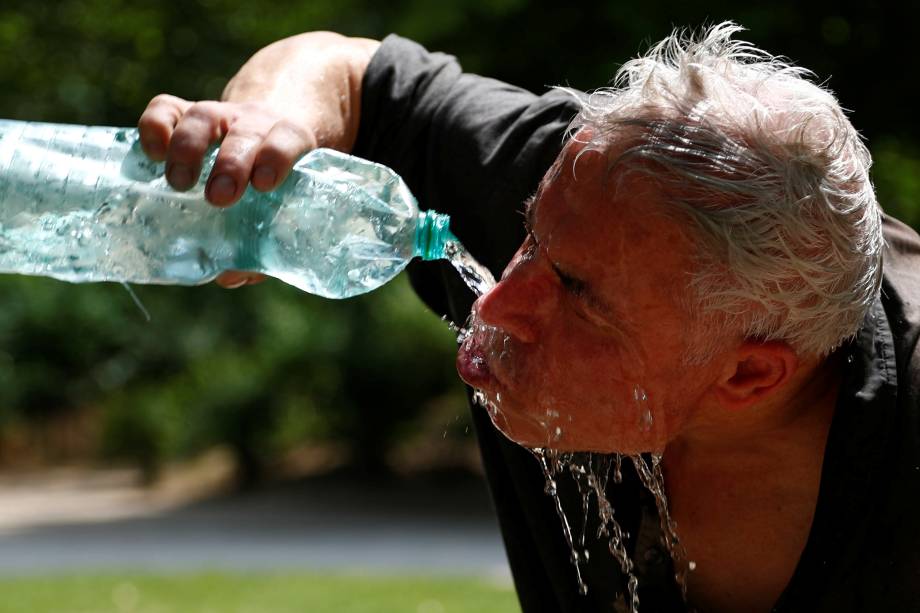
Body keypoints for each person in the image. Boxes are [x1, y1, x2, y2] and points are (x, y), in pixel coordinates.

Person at [138, 23, 920, 613]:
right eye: (529, 234)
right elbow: (352, 76)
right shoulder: (596, 189)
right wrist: (259, 133)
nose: (495, 300)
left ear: (748, 371)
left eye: (578, 292)